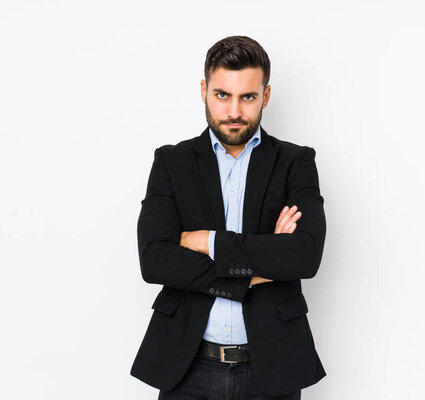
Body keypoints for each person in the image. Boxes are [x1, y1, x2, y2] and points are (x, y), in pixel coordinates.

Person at [130, 35, 327, 399]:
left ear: (265, 96)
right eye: (223, 95)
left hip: (271, 367)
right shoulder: (171, 162)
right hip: (187, 367)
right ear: (204, 90)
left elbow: (304, 255)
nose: (234, 111)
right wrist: (257, 269)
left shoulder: (295, 163)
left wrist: (209, 242)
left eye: (247, 97)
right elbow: (155, 260)